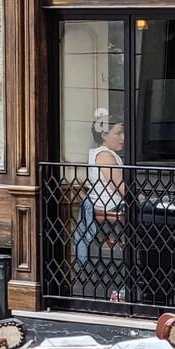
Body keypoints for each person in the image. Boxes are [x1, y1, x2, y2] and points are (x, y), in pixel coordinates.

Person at [72, 116, 128, 299]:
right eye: (118, 133)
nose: (123, 138)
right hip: (111, 206)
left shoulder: (97, 153)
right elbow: (120, 187)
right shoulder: (105, 155)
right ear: (104, 134)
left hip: (107, 205)